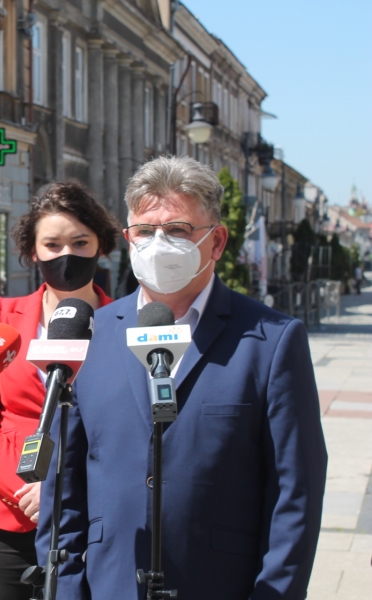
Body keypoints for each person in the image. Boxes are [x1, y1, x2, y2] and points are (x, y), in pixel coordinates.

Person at [37, 156, 327, 599]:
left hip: (220, 585)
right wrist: (66, 589)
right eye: (144, 231)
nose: (158, 244)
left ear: (217, 241)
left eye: (177, 230)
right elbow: (64, 485)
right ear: (128, 239)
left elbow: (296, 491)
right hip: (111, 582)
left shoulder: (271, 340)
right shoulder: (92, 333)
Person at [0, 181, 118, 600]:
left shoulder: (124, 325)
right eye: (52, 244)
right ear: (33, 251)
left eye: (80, 242)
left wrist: (60, 491)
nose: (67, 255)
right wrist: (28, 488)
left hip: (93, 521)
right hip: (5, 519)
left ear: (100, 245)